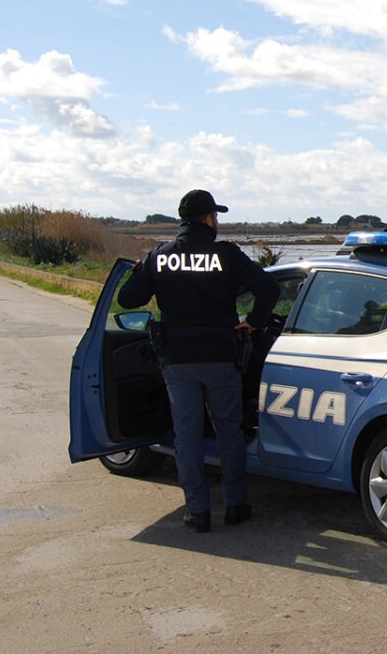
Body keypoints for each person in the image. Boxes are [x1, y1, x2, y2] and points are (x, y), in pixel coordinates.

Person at [118, 189, 280, 533]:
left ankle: (197, 511)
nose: (217, 221)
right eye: (216, 216)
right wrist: (254, 322)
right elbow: (269, 289)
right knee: (229, 432)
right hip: (220, 356)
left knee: (187, 435)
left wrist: (139, 270)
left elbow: (128, 298)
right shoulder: (226, 255)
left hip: (177, 359)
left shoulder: (160, 256)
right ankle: (235, 505)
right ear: (208, 219)